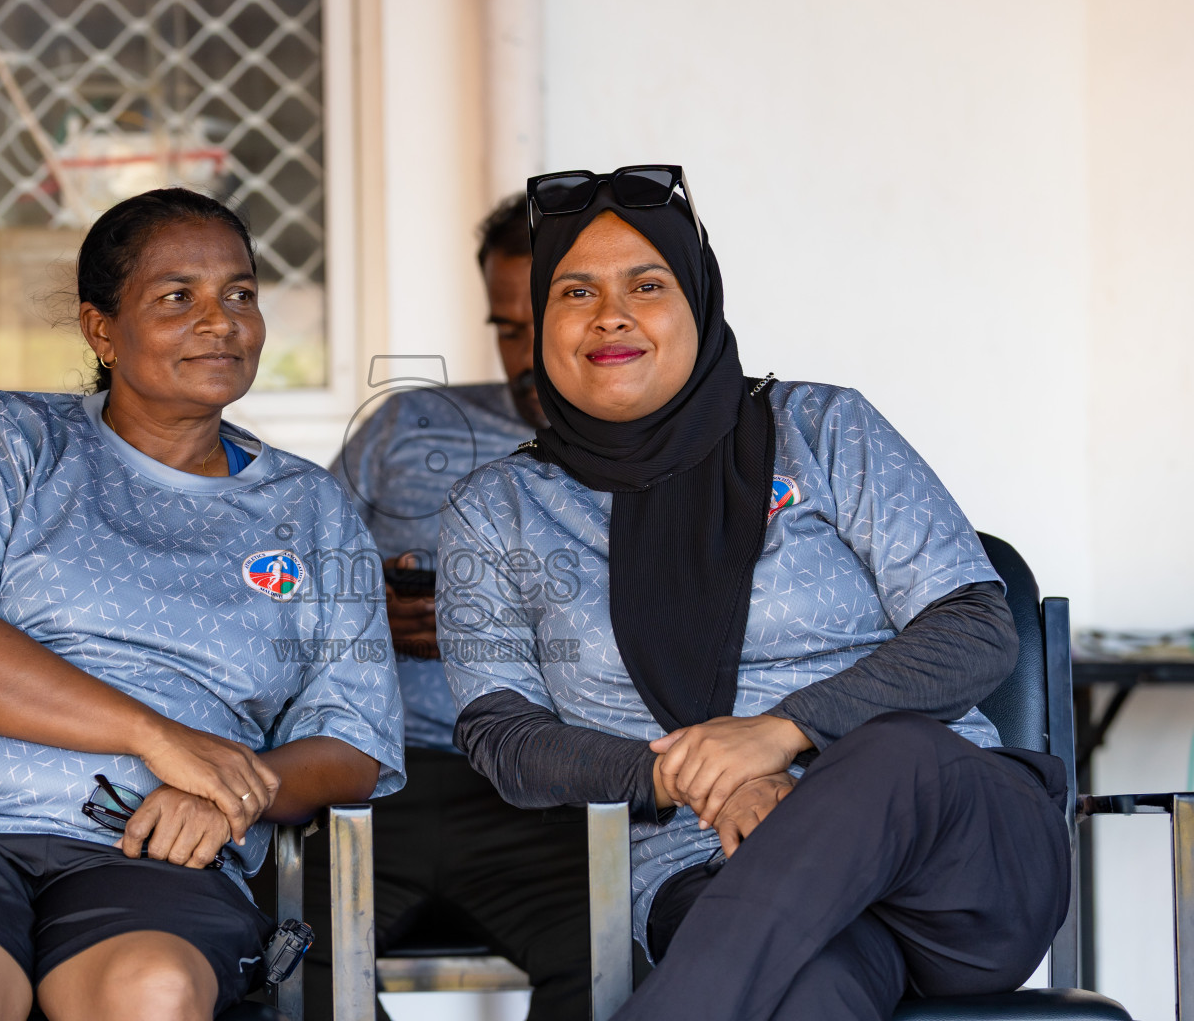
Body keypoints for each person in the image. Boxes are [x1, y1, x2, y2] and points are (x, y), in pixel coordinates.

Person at [438, 165, 1070, 1021]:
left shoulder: (823, 429)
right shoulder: (500, 511)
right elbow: (503, 735)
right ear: (540, 323)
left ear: (698, 300)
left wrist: (780, 736)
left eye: (646, 285)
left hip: (955, 868)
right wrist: (704, 781)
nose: (610, 314)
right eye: (575, 291)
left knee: (893, 753)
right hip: (714, 866)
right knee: (809, 994)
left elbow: (974, 628)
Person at [0, 188, 405, 1021]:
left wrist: (228, 789)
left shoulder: (312, 510)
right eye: (177, 297)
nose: (221, 321)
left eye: (242, 294)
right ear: (102, 330)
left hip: (157, 854)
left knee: (151, 992)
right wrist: (160, 738)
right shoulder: (14, 439)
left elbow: (353, 744)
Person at [300, 197, 592, 1021]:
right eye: (507, 328)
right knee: (268, 964)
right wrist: (366, 616)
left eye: (550, 318)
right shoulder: (408, 424)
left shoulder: (667, 462)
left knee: (620, 969)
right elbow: (287, 588)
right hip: (371, 780)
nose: (528, 356)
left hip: (556, 796)